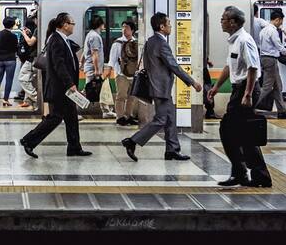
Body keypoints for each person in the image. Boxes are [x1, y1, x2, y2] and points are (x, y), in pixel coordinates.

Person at [121, 12, 202, 162]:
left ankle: (172, 150)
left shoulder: (150, 41)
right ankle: (132, 141)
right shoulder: (161, 44)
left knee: (170, 118)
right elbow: (174, 66)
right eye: (169, 24)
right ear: (162, 26)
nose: (171, 26)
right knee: (160, 119)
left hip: (157, 87)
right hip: (161, 88)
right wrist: (192, 82)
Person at [208, 6, 272, 188]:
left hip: (246, 90)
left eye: (223, 19)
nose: (221, 22)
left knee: (231, 130)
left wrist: (248, 94)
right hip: (240, 90)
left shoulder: (245, 40)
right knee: (239, 133)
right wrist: (216, 87)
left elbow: (253, 68)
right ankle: (249, 174)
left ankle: (246, 173)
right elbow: (230, 67)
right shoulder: (234, 41)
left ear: (233, 22)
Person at [20, 12, 91, 159]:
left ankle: (74, 147)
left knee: (71, 117)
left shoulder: (62, 39)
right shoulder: (56, 40)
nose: (73, 27)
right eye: (72, 24)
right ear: (65, 25)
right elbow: (59, 65)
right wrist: (70, 83)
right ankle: (28, 140)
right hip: (60, 89)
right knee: (55, 118)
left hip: (64, 88)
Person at [257, 10, 286, 119]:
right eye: (281, 21)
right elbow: (280, 48)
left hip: (266, 59)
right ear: (277, 20)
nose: (281, 24)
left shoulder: (263, 31)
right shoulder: (272, 31)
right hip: (270, 60)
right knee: (267, 87)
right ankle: (249, 107)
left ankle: (282, 112)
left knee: (277, 87)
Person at [104, 20, 140, 126]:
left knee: (132, 97)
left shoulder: (137, 42)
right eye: (123, 27)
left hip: (134, 74)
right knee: (121, 96)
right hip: (121, 74)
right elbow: (112, 59)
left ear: (132, 30)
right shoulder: (117, 43)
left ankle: (128, 116)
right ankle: (120, 117)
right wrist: (109, 70)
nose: (124, 30)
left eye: (127, 28)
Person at [83, 15, 116, 119]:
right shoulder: (95, 37)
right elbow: (94, 53)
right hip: (94, 69)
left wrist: (81, 62)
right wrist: (97, 70)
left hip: (94, 68)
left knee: (102, 89)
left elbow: (85, 52)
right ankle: (74, 109)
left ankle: (106, 110)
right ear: (100, 24)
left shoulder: (90, 34)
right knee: (88, 90)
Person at [0, 16, 18, 107]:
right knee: (9, 80)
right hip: (10, 59)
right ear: (12, 25)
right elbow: (16, 48)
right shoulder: (14, 36)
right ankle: (6, 100)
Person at [17, 15, 38, 109]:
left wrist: (23, 33)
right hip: (34, 58)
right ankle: (30, 102)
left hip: (33, 58)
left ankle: (36, 98)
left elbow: (30, 42)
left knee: (22, 77)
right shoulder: (36, 30)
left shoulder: (37, 30)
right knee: (30, 79)